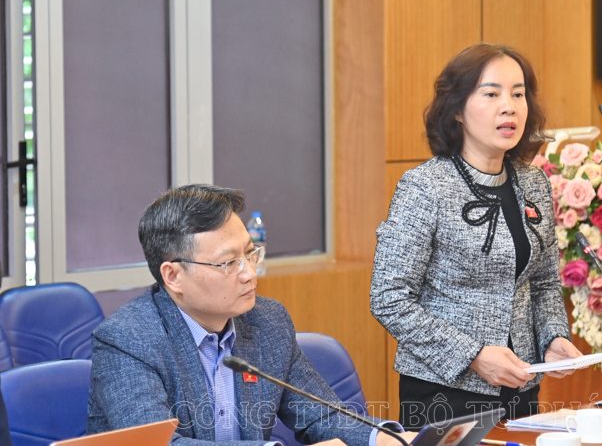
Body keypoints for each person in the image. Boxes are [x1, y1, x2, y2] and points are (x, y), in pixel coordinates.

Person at [88, 184, 414, 446]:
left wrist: (387, 439)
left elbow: (320, 415)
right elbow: (158, 444)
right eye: (229, 262)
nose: (249, 273)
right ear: (173, 276)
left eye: (250, 253)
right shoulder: (128, 339)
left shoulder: (267, 321)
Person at [370, 43, 582, 429]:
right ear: (457, 110)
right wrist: (473, 355)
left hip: (520, 385)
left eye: (518, 94)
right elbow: (389, 298)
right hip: (444, 391)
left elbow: (544, 283)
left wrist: (553, 338)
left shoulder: (534, 184)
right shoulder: (425, 187)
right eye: (492, 94)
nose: (509, 107)